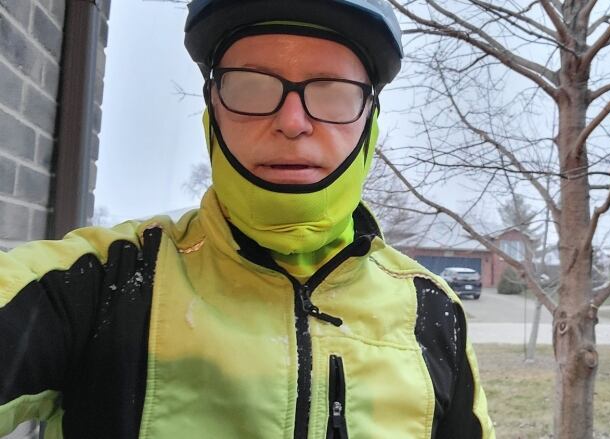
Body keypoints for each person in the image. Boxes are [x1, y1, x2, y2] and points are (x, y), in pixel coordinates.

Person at [0, 0, 494, 438]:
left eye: (332, 90)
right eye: (251, 88)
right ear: (212, 111)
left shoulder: (432, 313)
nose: (293, 121)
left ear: (370, 121)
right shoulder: (103, 281)